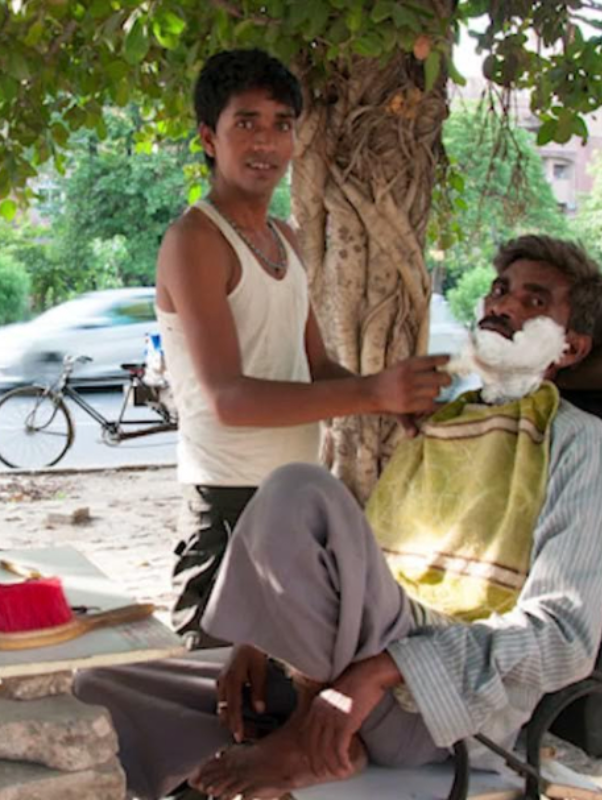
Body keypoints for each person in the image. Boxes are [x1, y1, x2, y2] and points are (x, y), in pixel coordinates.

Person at [75, 235, 602, 800]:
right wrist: (260, 642)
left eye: (534, 302)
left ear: (571, 349)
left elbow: (565, 638)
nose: (502, 307)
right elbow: (364, 579)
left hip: (442, 709)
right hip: (354, 667)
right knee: (95, 692)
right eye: (499, 291)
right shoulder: (442, 423)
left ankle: (311, 737)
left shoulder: (581, 444)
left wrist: (382, 670)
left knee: (300, 487)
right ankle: (300, 717)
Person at [156, 48, 450, 645]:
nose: (266, 142)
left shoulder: (285, 239)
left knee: (289, 694)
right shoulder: (196, 240)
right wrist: (371, 391)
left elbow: (315, 365)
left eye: (281, 125)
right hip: (229, 505)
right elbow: (229, 401)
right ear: (210, 138)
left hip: (295, 497)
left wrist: (395, 400)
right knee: (212, 698)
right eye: (247, 123)